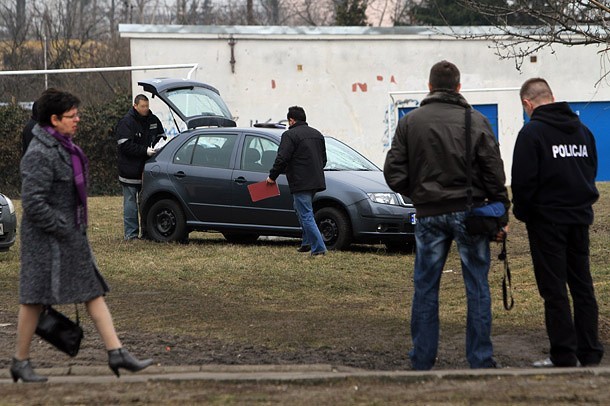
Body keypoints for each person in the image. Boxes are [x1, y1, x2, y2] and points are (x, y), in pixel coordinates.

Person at [11, 89, 152, 383]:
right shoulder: (39, 154)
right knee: (34, 299)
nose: (78, 119)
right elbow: (34, 203)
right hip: (45, 241)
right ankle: (20, 361)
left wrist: (71, 230)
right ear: (54, 119)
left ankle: (116, 352)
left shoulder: (64, 147)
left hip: (70, 237)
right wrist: (63, 227)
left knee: (91, 291)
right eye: (72, 115)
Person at [383, 60, 509, 370]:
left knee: (425, 287)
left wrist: (420, 194)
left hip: (429, 215)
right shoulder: (476, 120)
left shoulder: (410, 122)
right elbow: (493, 170)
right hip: (471, 213)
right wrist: (502, 207)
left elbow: (393, 172)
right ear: (458, 87)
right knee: (477, 287)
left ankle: (422, 359)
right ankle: (480, 359)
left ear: (429, 87)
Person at [512, 78, 604, 368]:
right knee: (582, 286)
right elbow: (590, 170)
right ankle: (590, 351)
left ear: (528, 104)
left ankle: (563, 355)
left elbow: (523, 183)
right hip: (579, 218)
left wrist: (524, 214)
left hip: (546, 222)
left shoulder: (532, 133)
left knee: (554, 290)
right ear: (552, 97)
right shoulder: (583, 131)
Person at [266, 106, 327, 256]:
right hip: (316, 181)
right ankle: (307, 242)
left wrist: (272, 176)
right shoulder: (317, 134)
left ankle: (319, 248)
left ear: (291, 120)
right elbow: (323, 160)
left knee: (306, 214)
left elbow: (282, 158)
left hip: (301, 181)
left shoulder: (289, 135)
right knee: (299, 208)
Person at [116, 94, 165, 240]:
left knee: (146, 201)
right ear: (135, 106)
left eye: (147, 106)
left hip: (148, 170)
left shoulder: (153, 120)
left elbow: (162, 136)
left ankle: (148, 233)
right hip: (129, 169)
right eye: (143, 106)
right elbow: (124, 145)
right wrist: (145, 150)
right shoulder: (126, 122)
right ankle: (131, 235)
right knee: (131, 202)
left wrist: (158, 144)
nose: (145, 109)